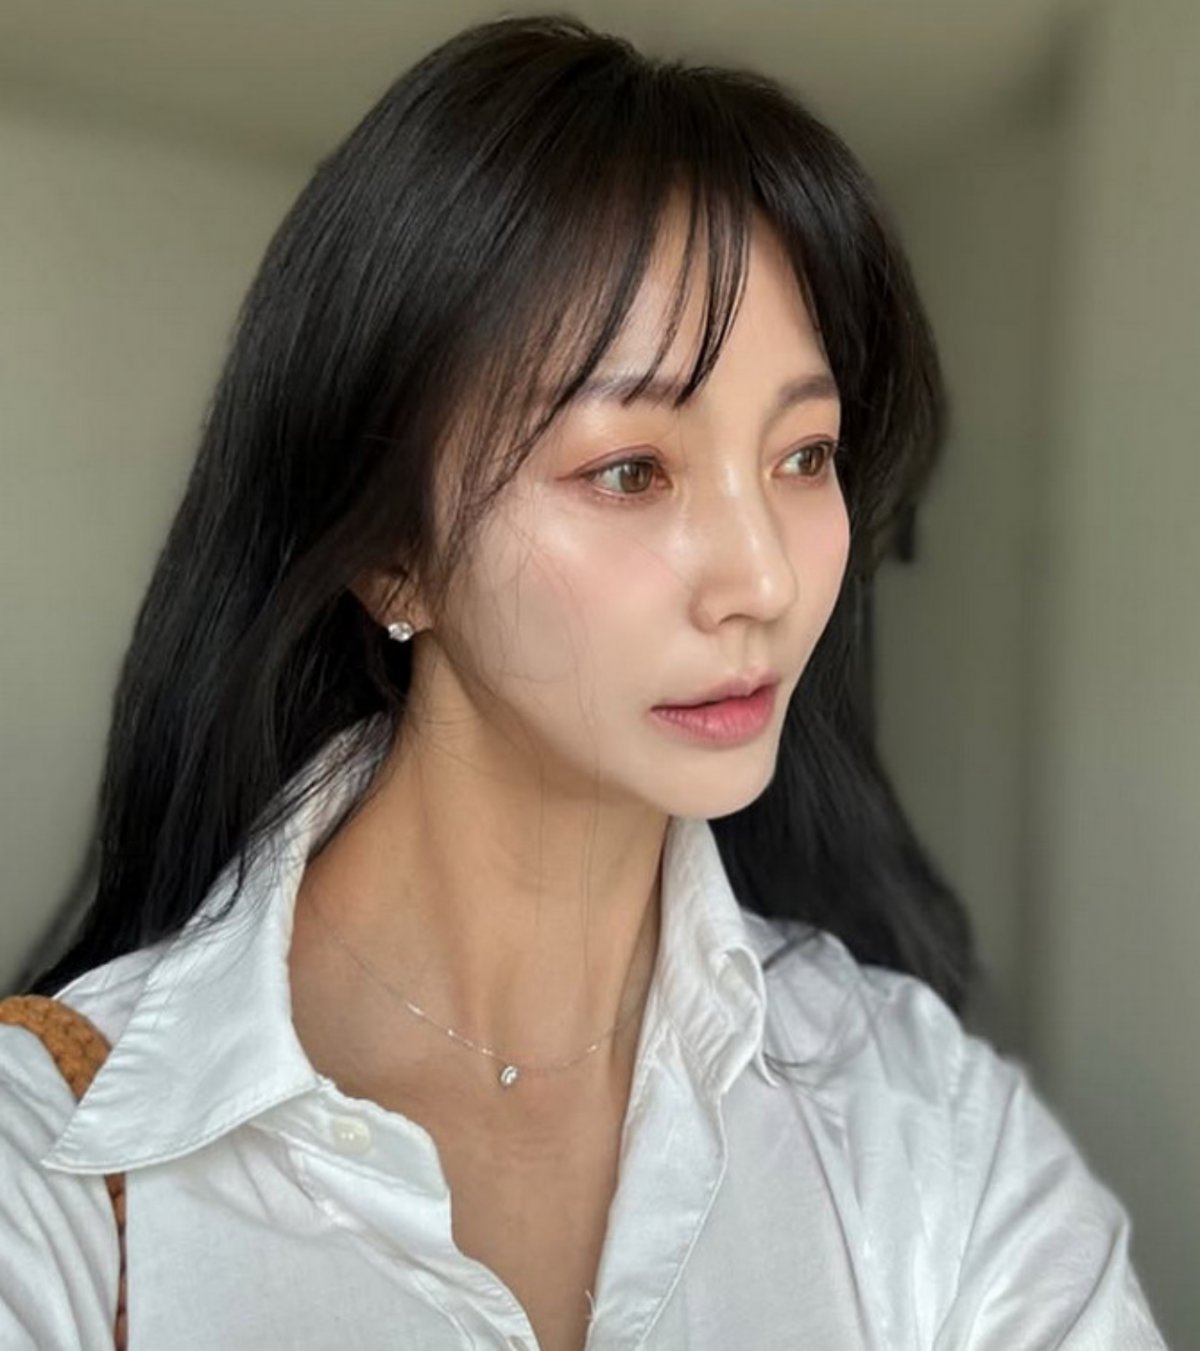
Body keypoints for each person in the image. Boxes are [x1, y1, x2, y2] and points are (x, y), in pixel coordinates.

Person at [0, 13, 1168, 1350]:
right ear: (390, 553)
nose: (763, 581)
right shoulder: (56, 1176)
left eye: (803, 456)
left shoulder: (929, 1137)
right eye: (631, 471)